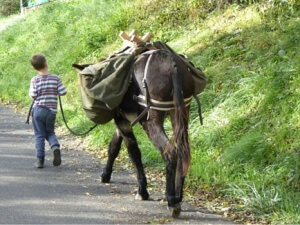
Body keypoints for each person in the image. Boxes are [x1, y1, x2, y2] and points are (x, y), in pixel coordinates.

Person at [29, 53, 67, 168]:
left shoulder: (35, 80)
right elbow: (63, 92)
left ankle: (40, 160)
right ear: (46, 64)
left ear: (34, 67)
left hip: (38, 110)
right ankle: (55, 146)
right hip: (51, 111)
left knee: (39, 135)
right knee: (50, 132)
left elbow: (33, 95)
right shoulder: (55, 78)